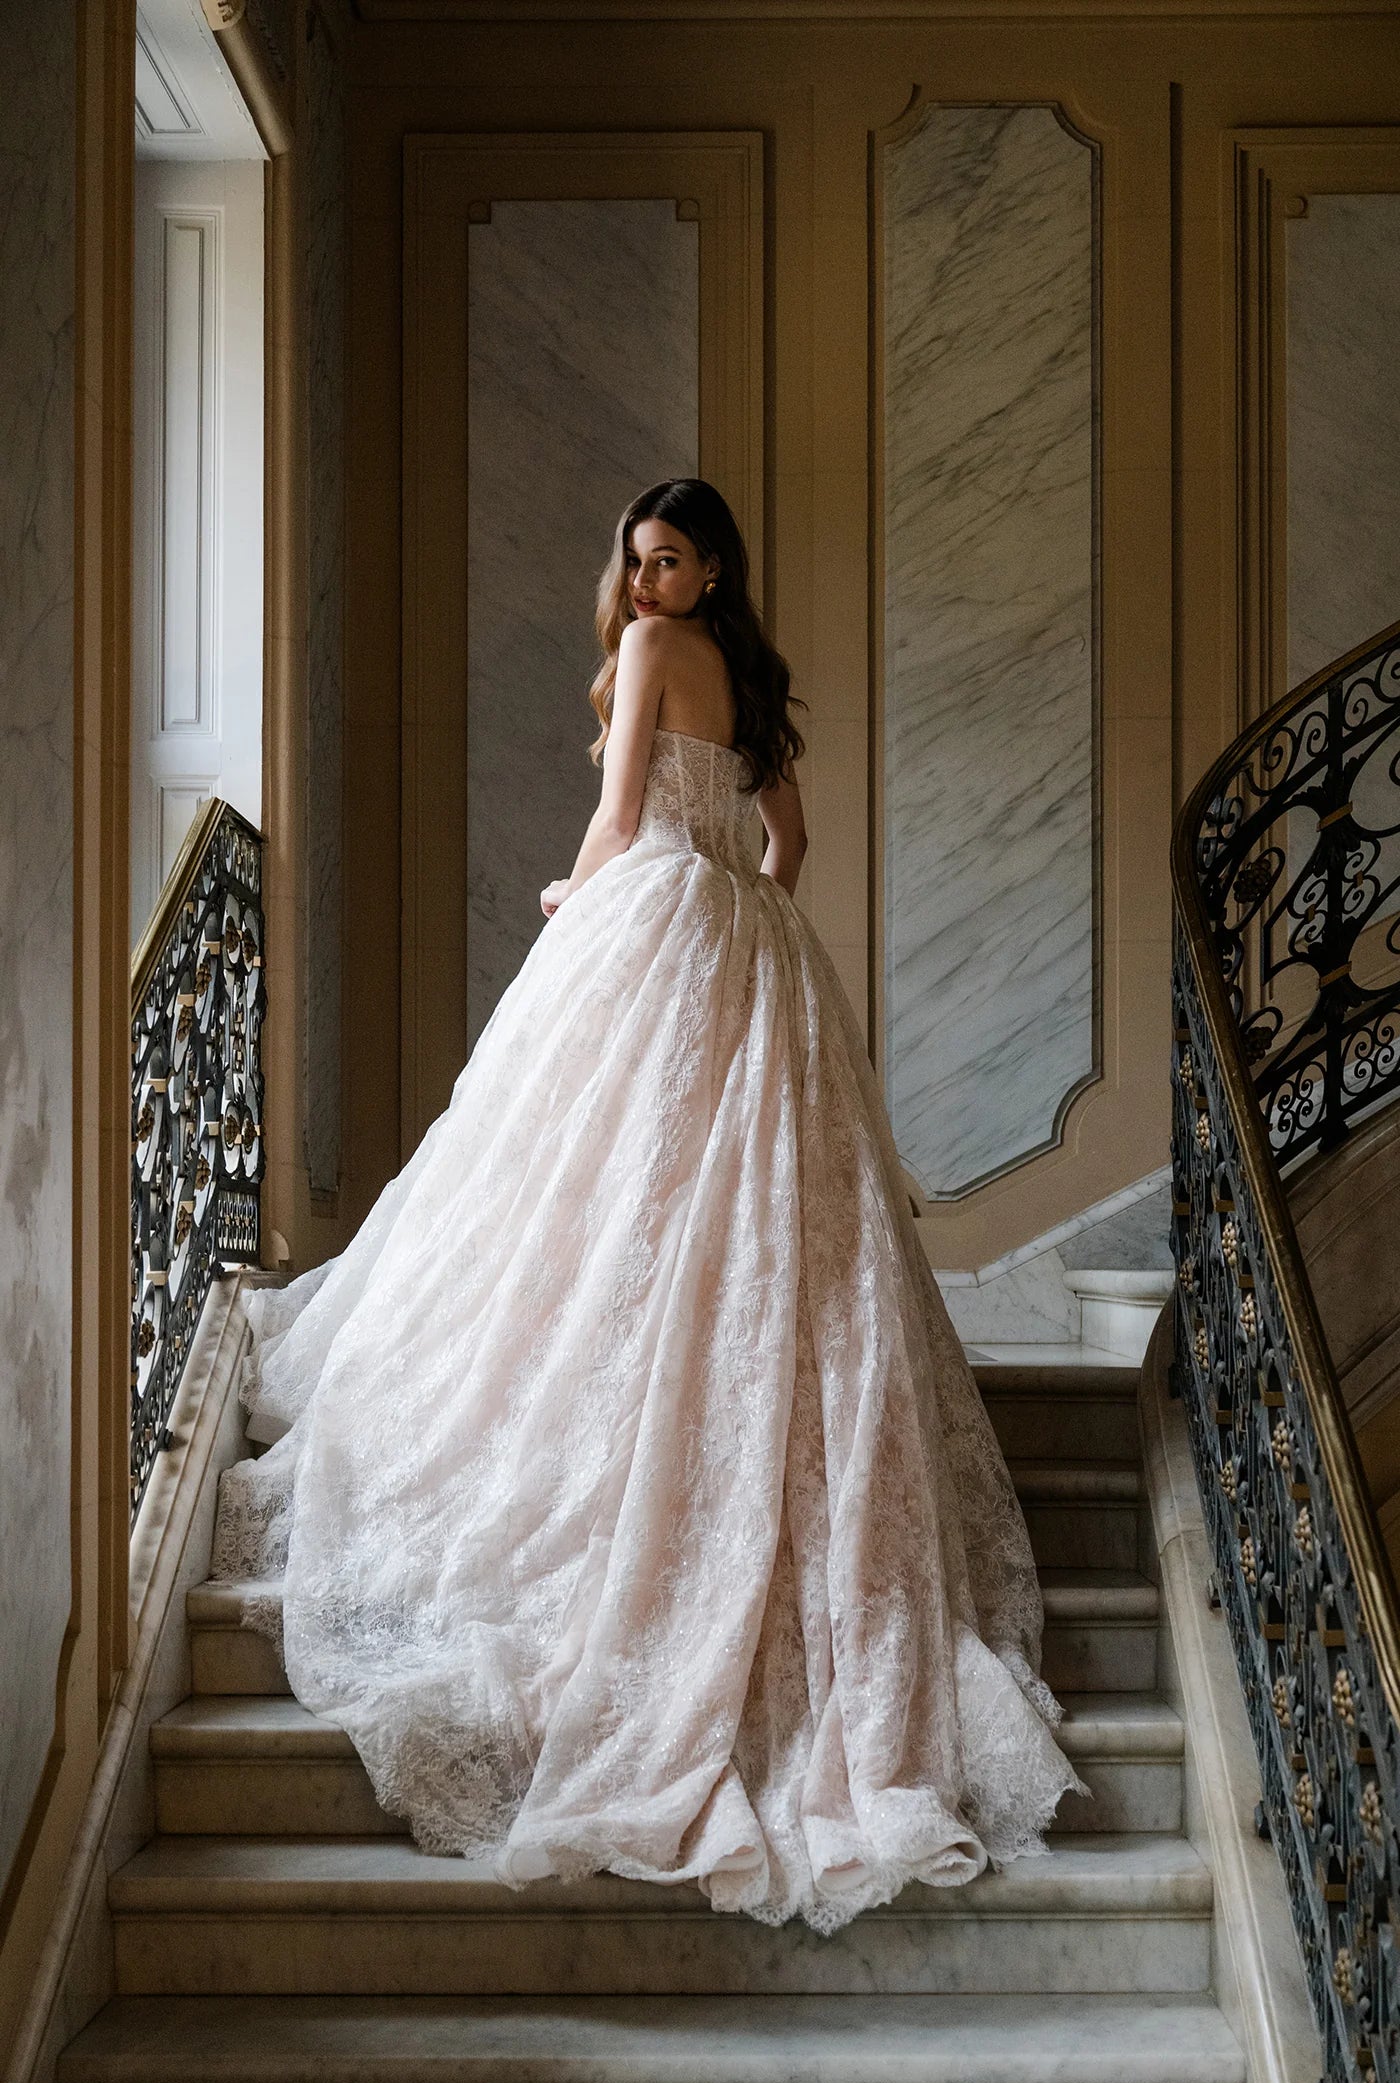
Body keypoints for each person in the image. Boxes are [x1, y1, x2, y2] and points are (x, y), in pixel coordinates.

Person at [211, 476, 1084, 1934]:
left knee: (592, 1202)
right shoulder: (748, 673)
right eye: (636, 559)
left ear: (708, 567)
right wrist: (751, 914)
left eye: (667, 559)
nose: (645, 581)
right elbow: (787, 846)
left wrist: (574, 902)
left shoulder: (652, 654)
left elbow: (619, 819)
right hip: (752, 944)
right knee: (740, 1224)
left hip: (663, 920)